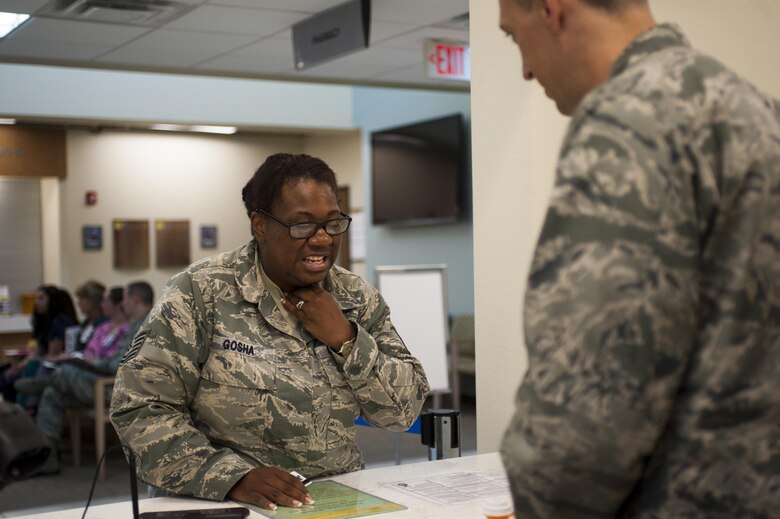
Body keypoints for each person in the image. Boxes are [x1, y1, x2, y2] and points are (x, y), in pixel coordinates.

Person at [497, 0, 780, 517]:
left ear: (552, 11)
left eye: (516, 38)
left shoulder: (627, 120)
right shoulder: (757, 109)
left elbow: (584, 421)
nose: (526, 69)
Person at [110, 153, 430, 510]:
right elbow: (140, 411)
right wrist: (230, 477)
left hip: (333, 503)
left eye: (333, 223)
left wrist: (346, 339)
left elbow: (403, 411)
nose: (323, 239)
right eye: (303, 225)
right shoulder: (200, 294)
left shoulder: (356, 299)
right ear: (260, 225)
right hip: (224, 506)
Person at [34, 281, 154, 475]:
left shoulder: (145, 326)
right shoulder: (138, 324)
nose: (122, 304)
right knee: (52, 393)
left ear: (135, 300)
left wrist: (92, 362)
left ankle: (40, 383)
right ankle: (47, 458)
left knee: (64, 373)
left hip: (121, 390)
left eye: (123, 299)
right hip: (112, 382)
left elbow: (118, 364)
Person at [0, 286, 77, 408]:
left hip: (51, 367)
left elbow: (51, 355)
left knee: (10, 380)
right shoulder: (45, 321)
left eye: (41, 298)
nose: (37, 303)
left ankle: (22, 413)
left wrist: (22, 367)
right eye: (37, 298)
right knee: (4, 371)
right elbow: (36, 351)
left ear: (52, 301)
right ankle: (12, 414)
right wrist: (19, 365)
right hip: (41, 361)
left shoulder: (60, 322)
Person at [69, 280, 108, 353]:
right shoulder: (84, 324)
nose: (78, 302)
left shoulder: (105, 324)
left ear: (95, 300)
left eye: (83, 299)